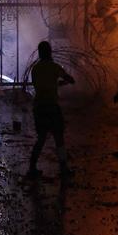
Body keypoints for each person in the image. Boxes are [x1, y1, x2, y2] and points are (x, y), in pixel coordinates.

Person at [27, 41, 75, 178]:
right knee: (59, 138)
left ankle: (32, 168)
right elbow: (68, 78)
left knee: (41, 138)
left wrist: (55, 83)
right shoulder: (54, 67)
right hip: (52, 107)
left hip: (39, 107)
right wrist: (67, 80)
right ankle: (64, 169)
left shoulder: (35, 69)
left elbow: (42, 85)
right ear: (50, 52)